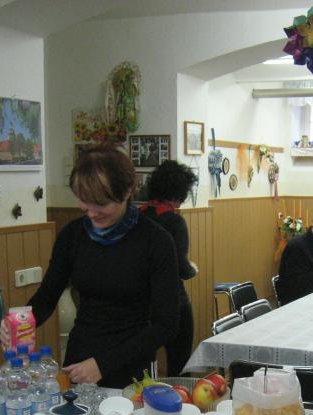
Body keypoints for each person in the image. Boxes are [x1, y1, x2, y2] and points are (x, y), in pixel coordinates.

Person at [23, 144, 180, 387]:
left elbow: (166, 325)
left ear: (127, 191)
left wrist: (103, 364)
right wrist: (22, 321)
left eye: (102, 203)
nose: (92, 213)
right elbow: (47, 296)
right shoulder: (73, 235)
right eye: (84, 202)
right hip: (80, 360)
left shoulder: (155, 241)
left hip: (132, 365)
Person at [140, 160, 198, 376]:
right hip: (172, 301)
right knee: (180, 363)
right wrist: (193, 269)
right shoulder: (174, 222)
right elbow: (181, 268)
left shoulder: (137, 217)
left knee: (143, 364)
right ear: (179, 193)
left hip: (141, 303)